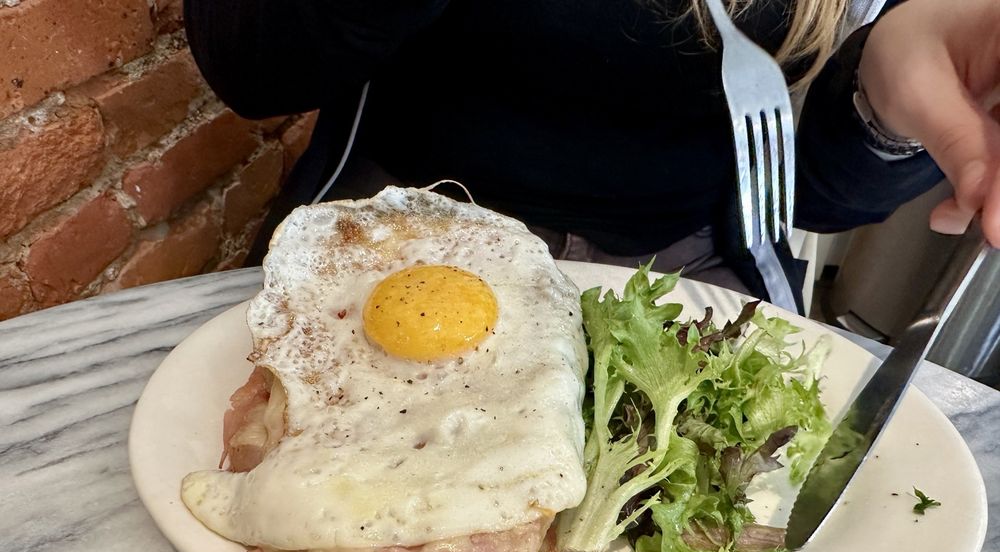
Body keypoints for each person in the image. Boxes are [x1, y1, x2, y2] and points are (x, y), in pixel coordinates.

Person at [182, 0, 1000, 309]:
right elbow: (251, 67)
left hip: (691, 275)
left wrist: (883, 112)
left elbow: (815, 193)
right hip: (392, 245)